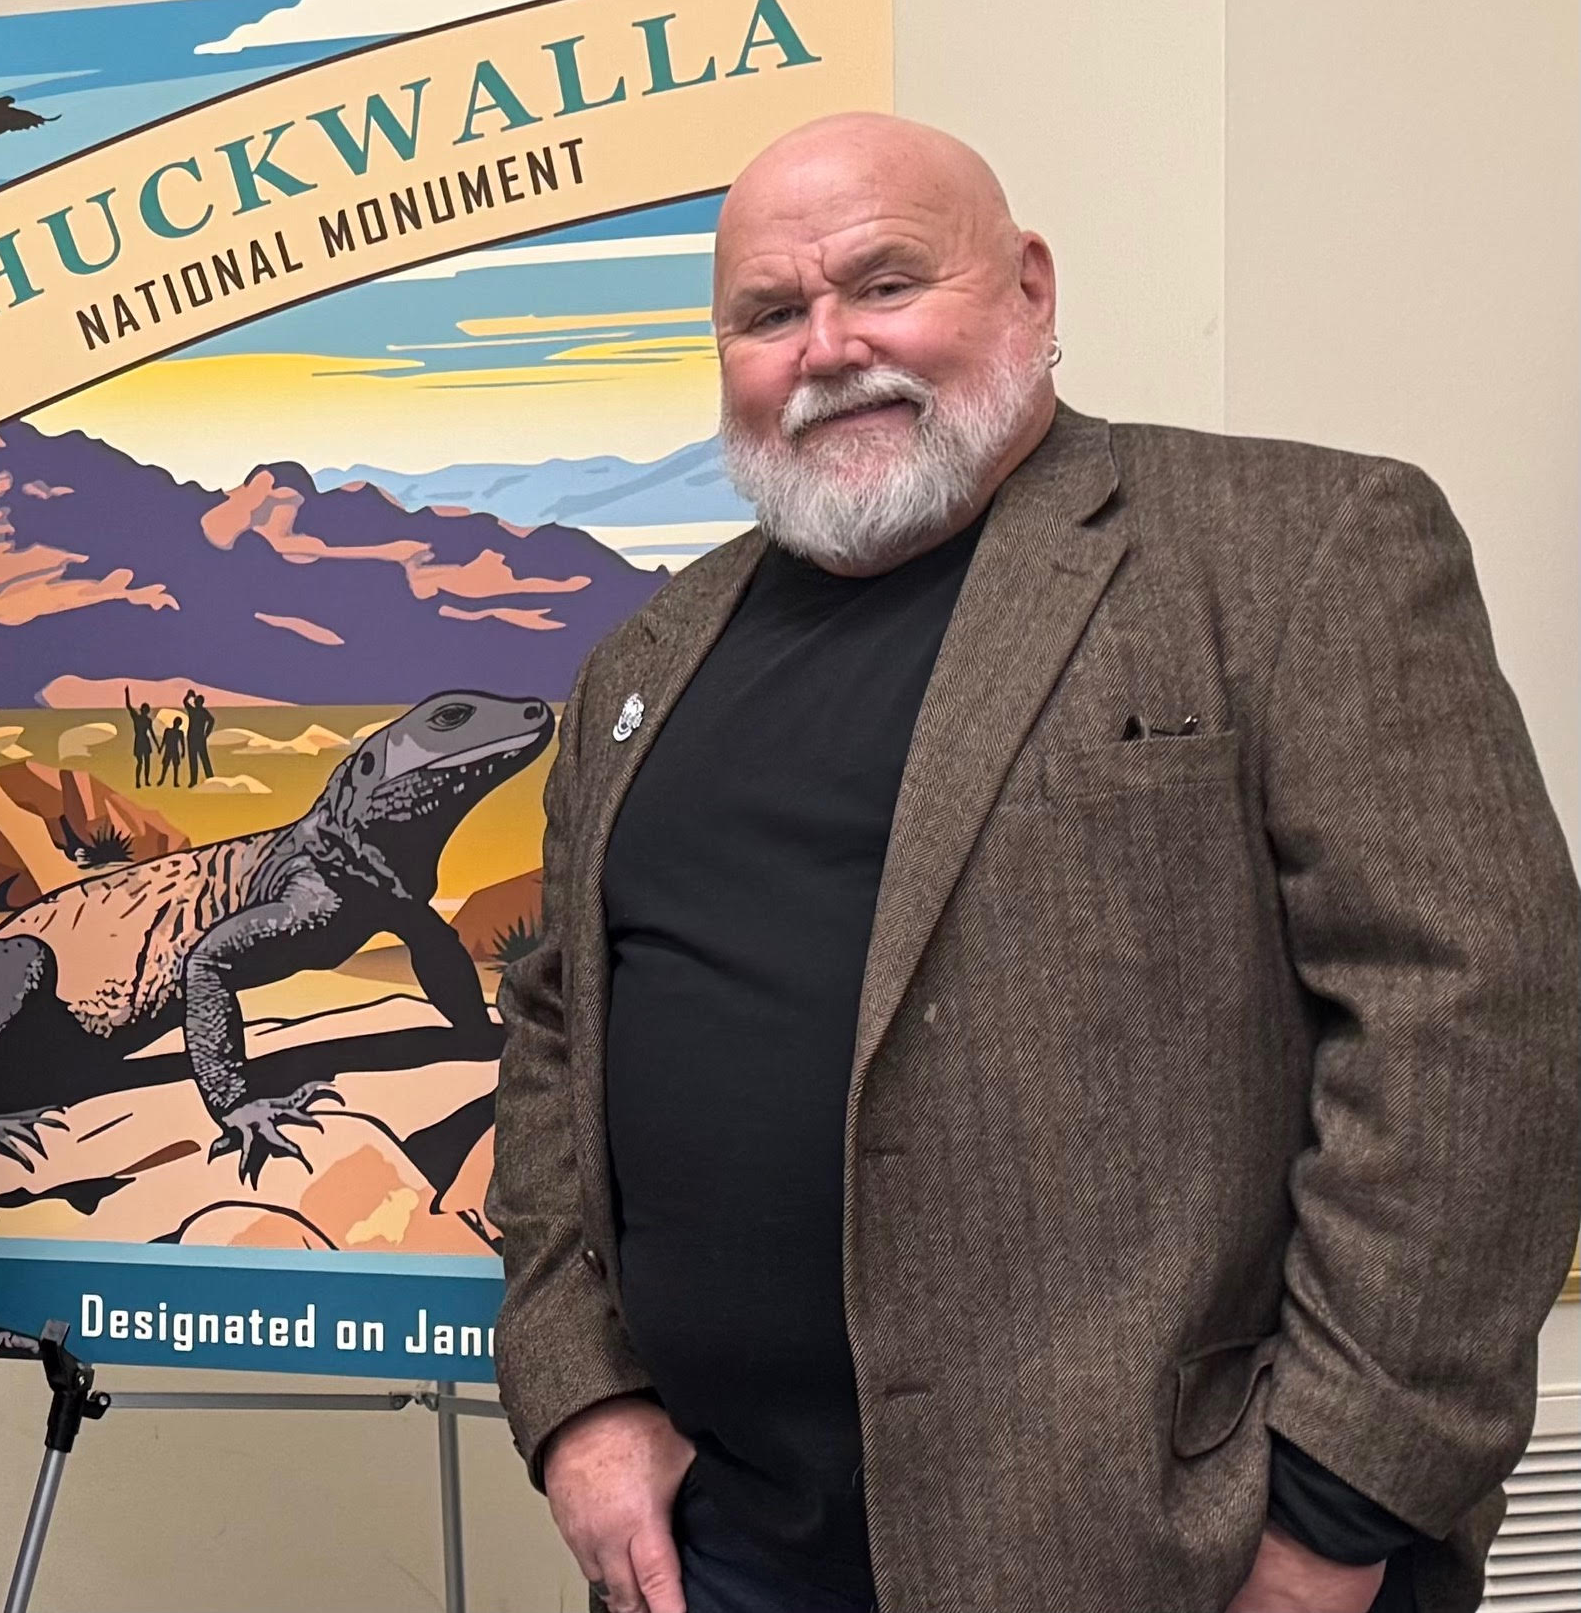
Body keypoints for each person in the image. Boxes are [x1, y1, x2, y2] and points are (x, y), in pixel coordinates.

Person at [488, 113, 1578, 1613]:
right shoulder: (645, 656)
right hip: (724, 1550)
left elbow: (1474, 1032)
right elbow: (554, 1039)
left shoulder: (1296, 548)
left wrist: (1338, 1509)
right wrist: (577, 1402)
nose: (825, 346)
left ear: (1029, 290)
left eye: (882, 282)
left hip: (1171, 1552)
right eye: (765, 313)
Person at [184, 689, 216, 785]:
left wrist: (189, 695)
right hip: (196, 738)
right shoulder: (200, 712)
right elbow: (211, 720)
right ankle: (203, 778)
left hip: (196, 738)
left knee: (199, 758)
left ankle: (206, 778)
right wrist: (206, 733)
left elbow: (211, 720)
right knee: (199, 758)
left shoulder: (195, 711)